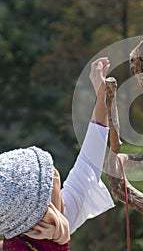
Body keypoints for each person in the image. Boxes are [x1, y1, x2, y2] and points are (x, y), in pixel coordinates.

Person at [0, 57, 115, 251]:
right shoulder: (56, 225)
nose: (56, 189)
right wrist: (101, 95)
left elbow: (87, 165)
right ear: (47, 207)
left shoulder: (45, 225)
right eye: (51, 186)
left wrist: (102, 95)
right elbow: (88, 167)